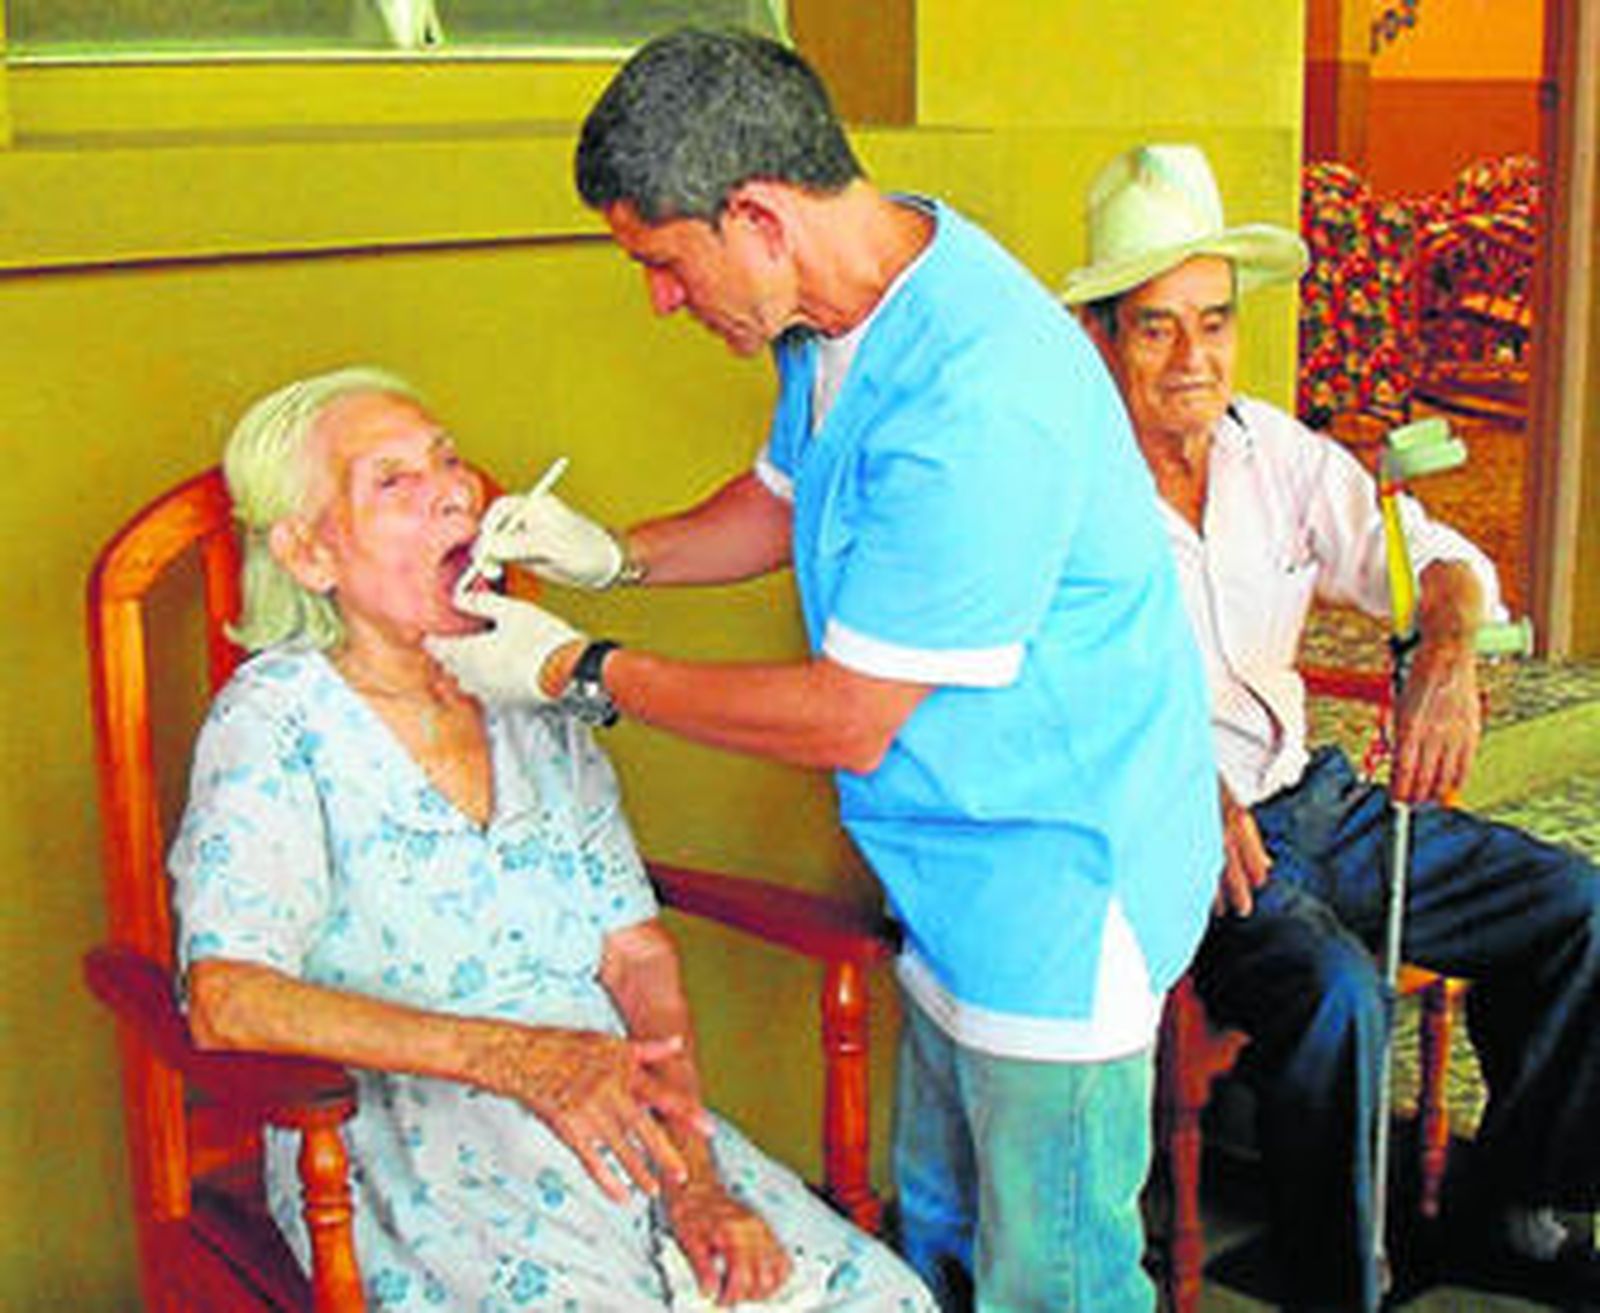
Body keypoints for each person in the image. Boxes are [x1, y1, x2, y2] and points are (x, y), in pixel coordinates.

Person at [425, 29, 1222, 1313]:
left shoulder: (978, 395)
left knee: (1056, 1278)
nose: (662, 302)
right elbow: (782, 496)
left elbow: (849, 716)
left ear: (756, 216)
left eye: (662, 263)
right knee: (944, 1233)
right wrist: (610, 554)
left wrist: (580, 667)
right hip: (951, 870)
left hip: (1061, 881)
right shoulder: (846, 304)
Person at [169, 366, 936, 1312]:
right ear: (308, 552)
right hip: (412, 1142)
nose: (454, 487)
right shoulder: (278, 721)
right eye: (394, 481)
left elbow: (635, 951)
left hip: (626, 1113)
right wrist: (513, 1056)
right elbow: (228, 997)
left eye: (446, 460)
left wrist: (697, 1180)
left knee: (879, 1299)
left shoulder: (525, 684)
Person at [1063, 143, 1600, 1312]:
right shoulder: (1067, 487)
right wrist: (1168, 790)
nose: (1192, 358)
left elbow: (1431, 559)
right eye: (1156, 328)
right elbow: (1032, 697)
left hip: (1323, 804)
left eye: (1213, 322)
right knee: (1336, 991)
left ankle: (1507, 1204)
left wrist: (1447, 651)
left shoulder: (1275, 453)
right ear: (1104, 337)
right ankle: (1332, 1285)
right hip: (1182, 844)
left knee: (1574, 904)